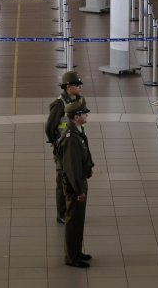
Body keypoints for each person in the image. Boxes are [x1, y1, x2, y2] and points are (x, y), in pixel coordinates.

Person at [57, 99, 95, 268]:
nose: (86, 115)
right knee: (73, 221)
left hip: (79, 181)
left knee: (78, 221)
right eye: (84, 113)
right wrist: (79, 190)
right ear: (76, 117)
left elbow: (83, 155)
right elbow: (72, 168)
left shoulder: (77, 130)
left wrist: (89, 167)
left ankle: (76, 252)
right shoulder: (71, 138)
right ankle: (72, 257)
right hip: (75, 186)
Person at [45, 71, 83, 223]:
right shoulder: (60, 104)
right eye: (77, 85)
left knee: (72, 178)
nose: (80, 87)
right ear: (68, 87)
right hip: (63, 147)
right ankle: (62, 213)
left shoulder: (77, 100)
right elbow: (49, 127)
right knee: (62, 180)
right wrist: (56, 142)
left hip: (73, 146)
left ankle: (70, 210)